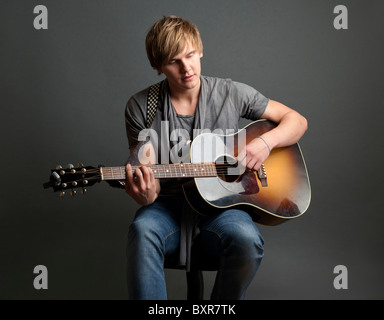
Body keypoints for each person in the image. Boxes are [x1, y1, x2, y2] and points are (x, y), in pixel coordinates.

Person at [123, 16, 308, 300]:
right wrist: (147, 194)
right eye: (174, 61)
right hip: (169, 211)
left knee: (247, 238)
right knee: (143, 228)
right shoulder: (141, 108)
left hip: (224, 210)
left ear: (200, 50)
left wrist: (264, 143)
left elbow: (296, 121)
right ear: (158, 66)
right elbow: (148, 175)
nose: (187, 68)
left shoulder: (232, 92)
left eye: (190, 55)